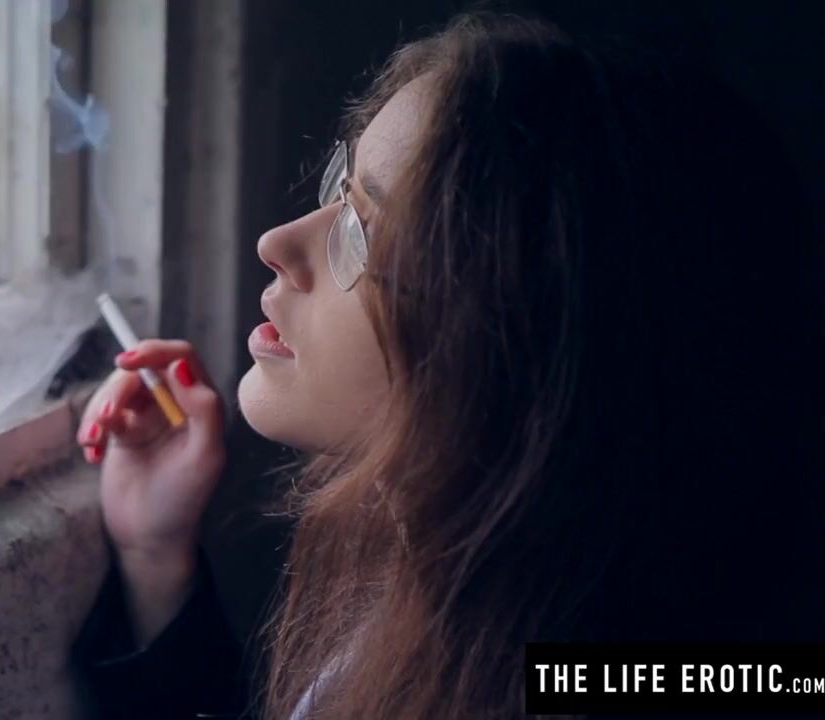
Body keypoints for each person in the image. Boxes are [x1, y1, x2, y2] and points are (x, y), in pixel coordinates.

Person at [72, 12, 825, 720]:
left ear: (528, 350)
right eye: (341, 187)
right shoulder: (434, 599)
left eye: (370, 230)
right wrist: (153, 558)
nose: (278, 242)